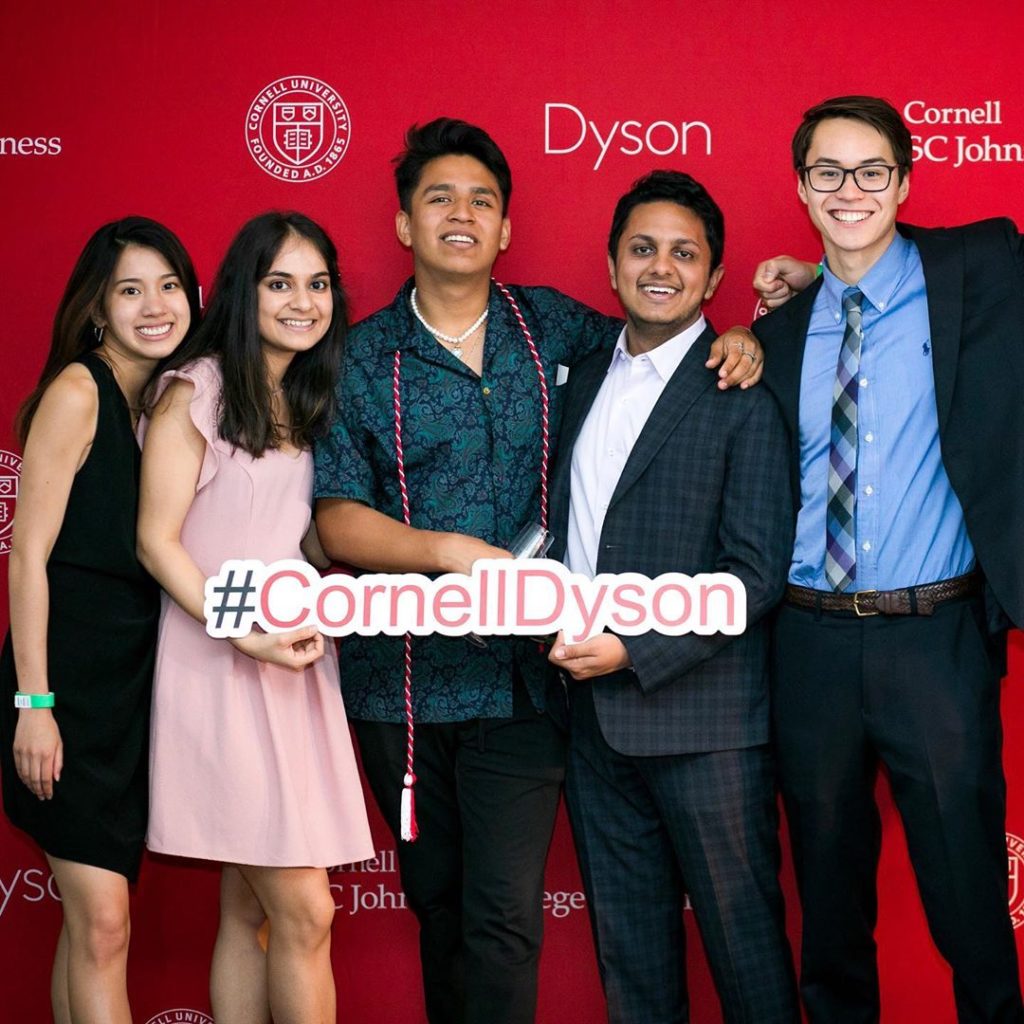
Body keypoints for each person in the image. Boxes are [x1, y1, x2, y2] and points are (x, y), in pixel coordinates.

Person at [313, 117, 764, 1024]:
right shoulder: (357, 357)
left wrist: (747, 335)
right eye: (439, 197)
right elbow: (332, 520)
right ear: (405, 224)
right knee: (437, 909)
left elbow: (666, 336)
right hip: (399, 684)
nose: (461, 214)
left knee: (506, 920)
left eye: (482, 200)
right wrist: (447, 553)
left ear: (506, 228)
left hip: (526, 686)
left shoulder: (556, 326)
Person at [750, 95, 1024, 1023]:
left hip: (934, 636)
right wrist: (800, 284)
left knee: (969, 896)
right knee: (827, 902)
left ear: (905, 182)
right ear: (801, 187)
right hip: (809, 644)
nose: (850, 190)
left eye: (872, 171)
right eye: (828, 172)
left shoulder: (980, 267)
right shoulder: (779, 332)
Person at [546, 170, 797, 1023]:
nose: (662, 267)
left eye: (684, 253)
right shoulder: (578, 377)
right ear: (612, 264)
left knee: (747, 955)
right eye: (643, 249)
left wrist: (634, 647)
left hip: (707, 726)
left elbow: (755, 574)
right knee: (634, 965)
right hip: (591, 723)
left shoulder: (741, 393)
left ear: (714, 277)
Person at [137, 211, 373, 1024]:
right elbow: (158, 542)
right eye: (281, 284)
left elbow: (291, 535)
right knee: (308, 911)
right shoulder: (194, 389)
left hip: (293, 664)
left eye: (317, 284)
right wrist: (245, 632)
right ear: (244, 291)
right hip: (221, 665)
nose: (303, 302)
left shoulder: (302, 394)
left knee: (249, 910)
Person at [0, 217, 200, 1024]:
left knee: (93, 930)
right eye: (129, 289)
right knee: (106, 924)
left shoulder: (156, 403)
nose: (154, 305)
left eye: (168, 285)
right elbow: (27, 559)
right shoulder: (79, 392)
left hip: (127, 697)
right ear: (97, 308)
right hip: (62, 698)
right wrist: (34, 705)